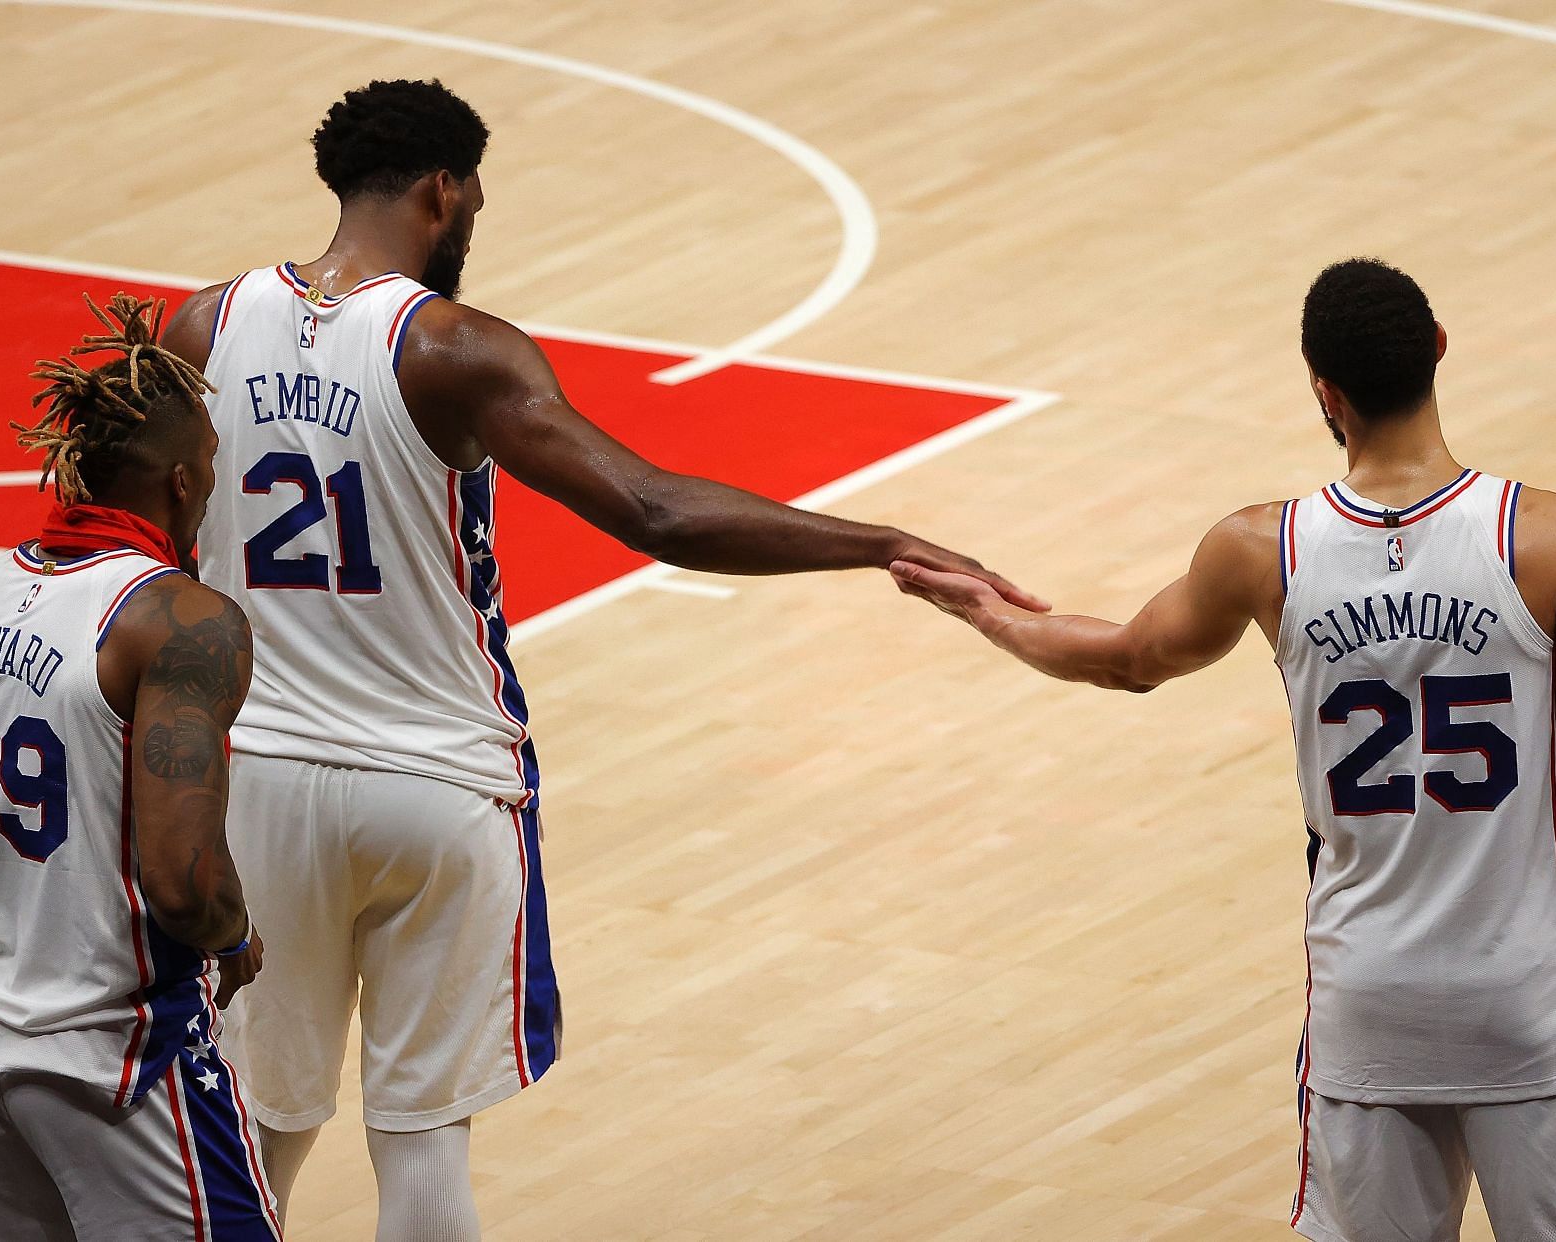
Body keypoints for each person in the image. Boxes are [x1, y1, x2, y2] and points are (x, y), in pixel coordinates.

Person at [159, 78, 1042, 1240]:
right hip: (436, 786)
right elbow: (653, 511)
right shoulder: (457, 351)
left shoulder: (198, 327)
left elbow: (147, 557)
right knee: (420, 1146)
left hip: (258, 779)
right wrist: (881, 541)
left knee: (257, 1138)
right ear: (445, 188)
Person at [890, 258, 1556, 1241]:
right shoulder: (1542, 536)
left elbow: (1125, 659)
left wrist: (990, 614)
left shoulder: (1265, 550)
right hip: (1533, 1004)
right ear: (1439, 353)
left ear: (1324, 393)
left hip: (1367, 1005)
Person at [0, 294, 278, 1239]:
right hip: (123, 1060)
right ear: (180, 482)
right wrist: (234, 934)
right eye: (211, 471)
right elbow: (182, 884)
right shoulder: (178, 621)